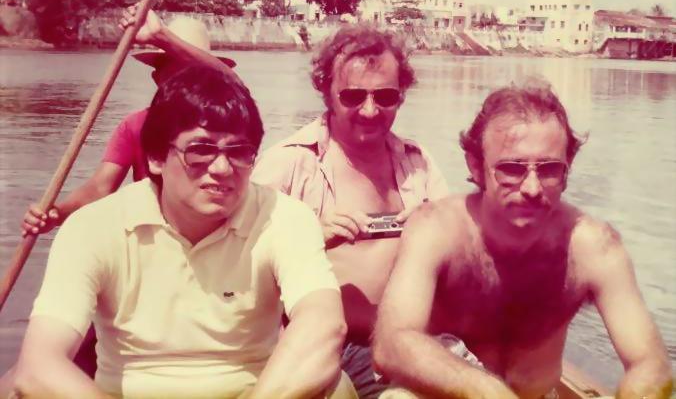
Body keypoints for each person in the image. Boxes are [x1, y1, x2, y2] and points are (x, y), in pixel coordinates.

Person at [3, 65, 352, 399]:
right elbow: (39, 363)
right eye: (200, 151)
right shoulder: (92, 227)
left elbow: (323, 325)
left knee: (336, 386)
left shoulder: (286, 218)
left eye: (239, 152)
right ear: (155, 158)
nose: (221, 169)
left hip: (255, 390)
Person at [372, 83, 673, 399]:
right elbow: (392, 344)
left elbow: (650, 363)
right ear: (475, 167)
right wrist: (488, 391)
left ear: (567, 170)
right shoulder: (436, 229)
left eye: (549, 170)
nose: (531, 187)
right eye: (511, 169)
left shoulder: (595, 248)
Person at [252, 26, 452, 398]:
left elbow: (460, 264)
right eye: (353, 96)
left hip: (410, 342)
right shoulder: (287, 164)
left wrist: (440, 231)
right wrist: (308, 239)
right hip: (319, 345)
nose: (370, 110)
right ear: (326, 92)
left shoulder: (419, 163)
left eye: (386, 96)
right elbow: (234, 270)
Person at [21, 11, 238, 237]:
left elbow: (231, 83)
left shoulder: (230, 122)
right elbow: (100, 187)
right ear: (158, 77)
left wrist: (160, 36)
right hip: (155, 237)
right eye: (177, 69)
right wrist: (58, 213)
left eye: (195, 71)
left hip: (215, 239)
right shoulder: (136, 125)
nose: (187, 81)